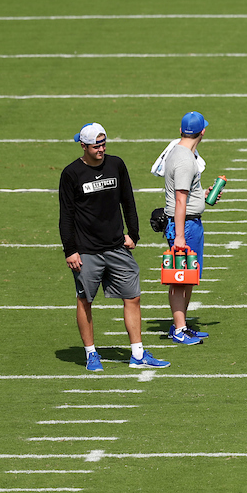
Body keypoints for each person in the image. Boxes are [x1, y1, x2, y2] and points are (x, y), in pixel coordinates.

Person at [60, 123, 169, 372]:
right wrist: (70, 250)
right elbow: (66, 214)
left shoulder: (116, 164)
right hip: (86, 251)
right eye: (95, 146)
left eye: (103, 144)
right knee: (85, 300)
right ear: (83, 146)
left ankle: (138, 354)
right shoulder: (71, 173)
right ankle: (91, 354)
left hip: (116, 247)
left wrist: (134, 234)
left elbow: (127, 200)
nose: (101, 149)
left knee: (133, 297)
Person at [163, 111, 219, 346]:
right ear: (202, 131)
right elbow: (180, 200)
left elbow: (185, 193)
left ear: (181, 130)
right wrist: (179, 236)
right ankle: (179, 329)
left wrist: (202, 195)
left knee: (188, 277)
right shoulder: (186, 160)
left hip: (187, 222)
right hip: (185, 226)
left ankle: (181, 324)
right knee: (181, 278)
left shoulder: (179, 152)